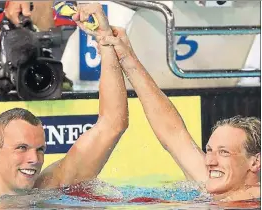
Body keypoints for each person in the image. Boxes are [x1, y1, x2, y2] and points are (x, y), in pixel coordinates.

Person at [98, 27, 261, 201]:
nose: (210, 161)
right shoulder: (213, 182)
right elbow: (173, 133)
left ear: (255, 162)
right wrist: (125, 56)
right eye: (209, 150)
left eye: (224, 152)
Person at [0, 3, 128, 197]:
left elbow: (113, 124)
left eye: (40, 149)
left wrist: (105, 41)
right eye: (21, 148)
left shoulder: (48, 188)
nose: (34, 159)